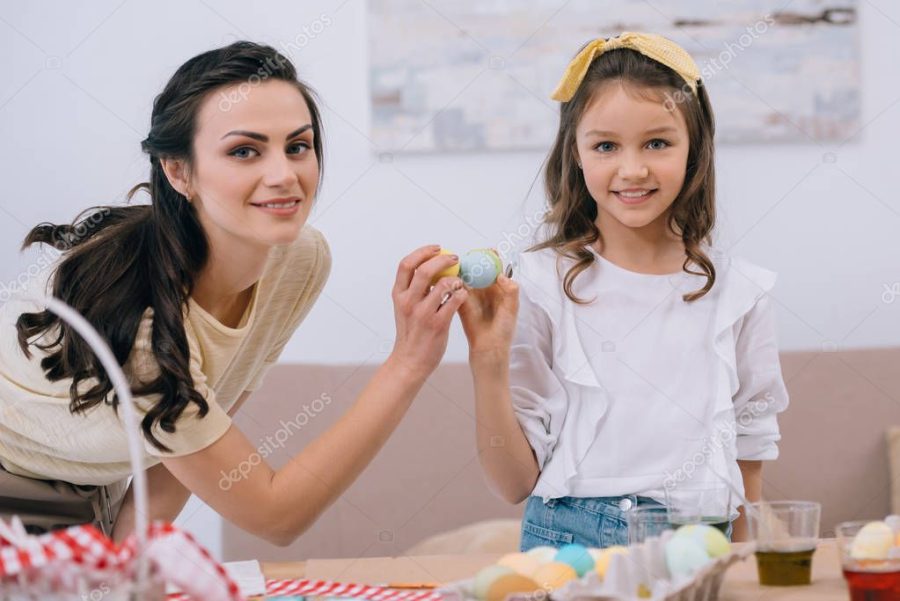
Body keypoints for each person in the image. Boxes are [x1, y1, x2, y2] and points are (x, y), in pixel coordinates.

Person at [0, 41, 468, 545]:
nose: (284, 175)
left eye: (298, 146)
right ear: (178, 171)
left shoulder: (299, 261)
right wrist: (409, 361)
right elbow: (274, 515)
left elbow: (181, 449)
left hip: (88, 484)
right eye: (244, 151)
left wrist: (125, 568)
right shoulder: (141, 325)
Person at [459, 32, 789, 549]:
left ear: (694, 148)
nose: (632, 169)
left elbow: (750, 459)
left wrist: (746, 565)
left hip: (702, 543)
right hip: (568, 542)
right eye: (606, 145)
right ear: (577, 153)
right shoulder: (539, 284)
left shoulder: (740, 292)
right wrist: (487, 359)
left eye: (657, 143)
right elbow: (512, 484)